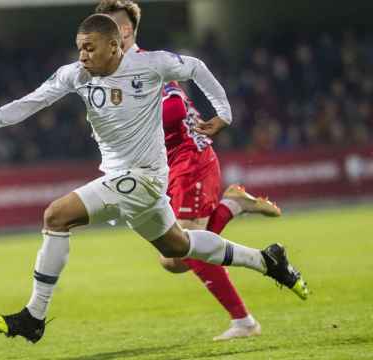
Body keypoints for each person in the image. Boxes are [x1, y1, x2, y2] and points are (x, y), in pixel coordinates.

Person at [0, 14, 308, 344]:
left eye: (90, 47)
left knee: (56, 215)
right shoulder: (74, 75)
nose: (83, 54)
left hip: (144, 178)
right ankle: (267, 261)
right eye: (79, 47)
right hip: (124, 178)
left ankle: (33, 316)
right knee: (178, 250)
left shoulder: (149, 65)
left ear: (114, 46)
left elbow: (196, 68)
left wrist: (223, 113)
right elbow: (30, 102)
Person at [95, 0, 282, 341]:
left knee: (185, 250)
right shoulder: (109, 74)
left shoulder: (146, 65)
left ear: (124, 32)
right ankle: (233, 205)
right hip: (166, 168)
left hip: (189, 161)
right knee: (172, 259)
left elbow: (174, 106)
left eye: (109, 27)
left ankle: (244, 322)